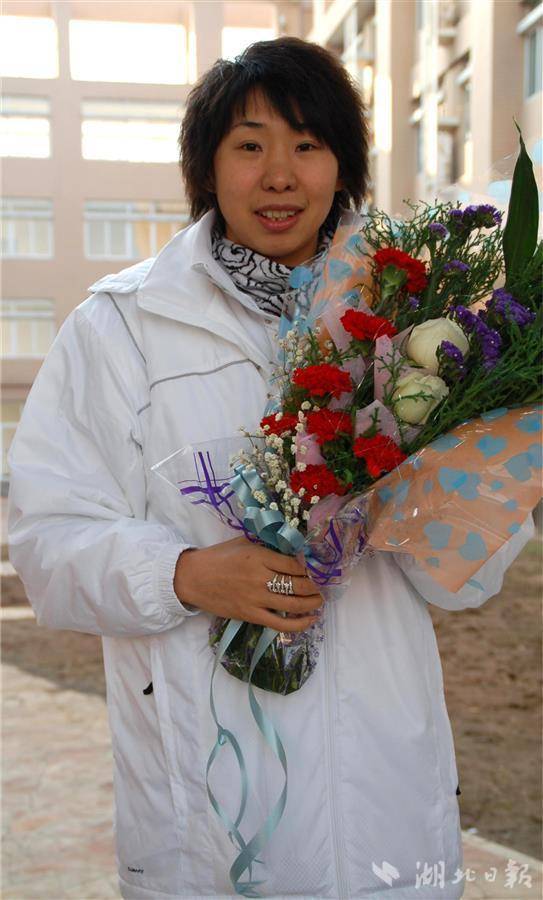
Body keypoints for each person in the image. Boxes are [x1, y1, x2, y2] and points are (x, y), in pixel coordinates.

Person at [8, 37, 534, 900]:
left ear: (342, 166)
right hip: (206, 808)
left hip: (381, 800)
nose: (279, 175)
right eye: (249, 145)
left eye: (307, 144)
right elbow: (45, 542)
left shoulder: (419, 325)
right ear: (207, 168)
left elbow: (470, 580)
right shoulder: (122, 327)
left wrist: (431, 495)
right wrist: (182, 573)